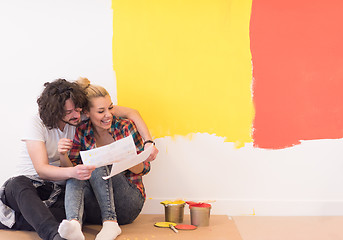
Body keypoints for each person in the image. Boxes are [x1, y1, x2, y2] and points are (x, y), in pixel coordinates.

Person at [0, 78, 158, 240]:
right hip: (37, 187)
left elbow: (129, 113)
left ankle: (104, 222)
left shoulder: (104, 122)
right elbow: (44, 170)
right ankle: (61, 231)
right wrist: (70, 164)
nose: (75, 115)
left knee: (84, 173)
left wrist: (146, 143)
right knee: (21, 184)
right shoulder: (54, 124)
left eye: (77, 110)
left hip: (88, 194)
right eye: (69, 112)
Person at [57, 78, 152, 240]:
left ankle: (111, 223)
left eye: (110, 108)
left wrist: (124, 159)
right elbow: (70, 171)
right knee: (77, 172)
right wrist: (62, 155)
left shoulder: (124, 127)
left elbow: (144, 169)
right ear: (87, 113)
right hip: (94, 207)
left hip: (128, 204)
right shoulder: (82, 131)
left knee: (97, 163)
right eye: (101, 111)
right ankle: (74, 224)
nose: (108, 115)